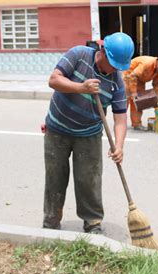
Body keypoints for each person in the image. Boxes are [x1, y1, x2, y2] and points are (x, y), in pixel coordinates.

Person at [42, 32, 134, 234]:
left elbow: (120, 119)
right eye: (113, 63)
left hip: (89, 134)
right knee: (55, 178)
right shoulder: (79, 54)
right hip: (57, 128)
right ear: (102, 51)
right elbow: (54, 80)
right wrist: (80, 87)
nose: (116, 69)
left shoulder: (116, 83)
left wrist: (119, 146)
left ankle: (92, 223)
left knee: (90, 180)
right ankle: (50, 222)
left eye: (120, 66)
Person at [122, 56, 158, 130]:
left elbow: (156, 84)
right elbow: (133, 75)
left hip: (140, 80)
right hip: (129, 76)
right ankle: (120, 122)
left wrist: (157, 96)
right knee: (125, 100)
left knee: (138, 101)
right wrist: (133, 92)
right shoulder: (147, 64)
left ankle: (136, 124)